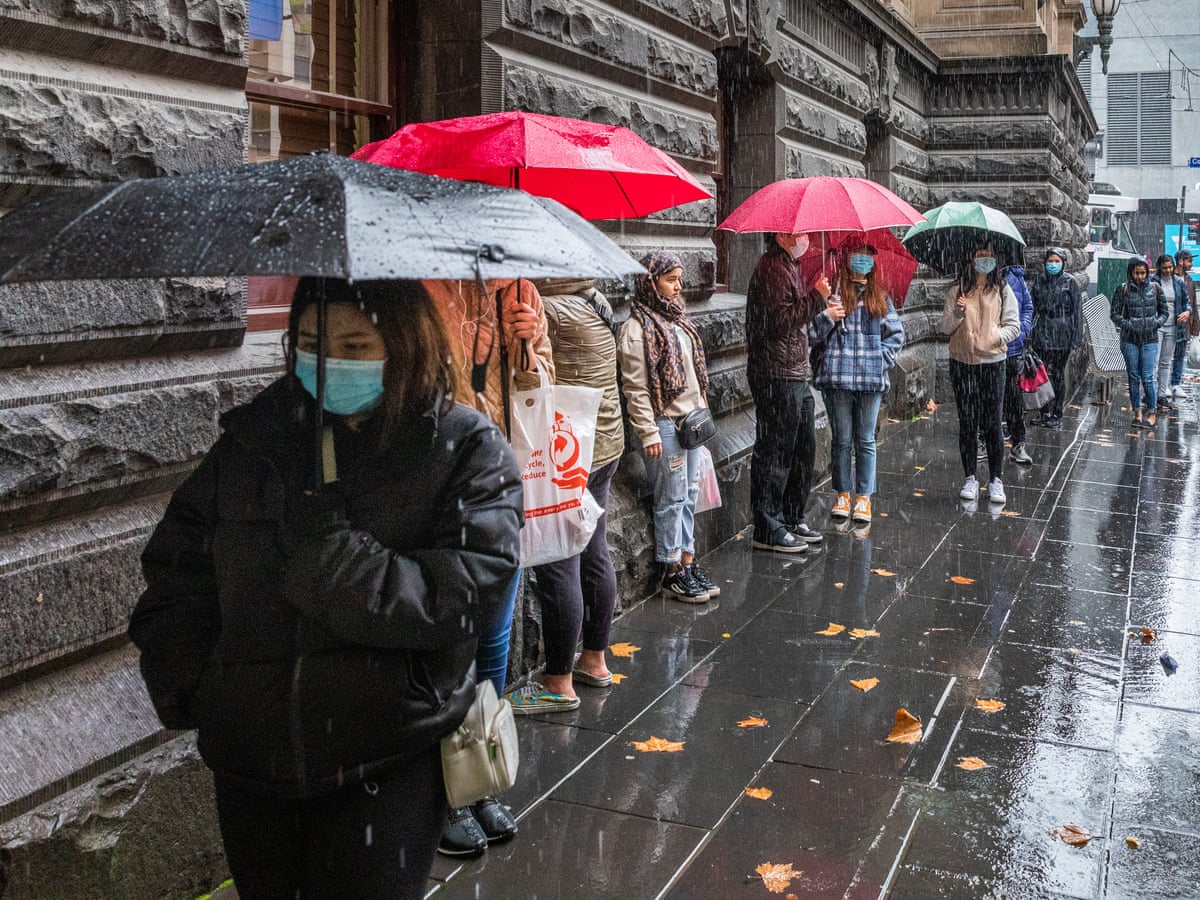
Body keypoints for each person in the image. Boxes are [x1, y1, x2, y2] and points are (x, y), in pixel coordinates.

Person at [128, 278, 523, 900]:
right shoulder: (254, 441)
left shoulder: (464, 449)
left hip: (385, 759)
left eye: (355, 344)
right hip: (252, 758)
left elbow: (464, 596)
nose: (330, 360)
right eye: (312, 341)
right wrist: (193, 684)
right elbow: (179, 567)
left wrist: (332, 557)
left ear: (403, 343)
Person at [423, 276, 554, 854]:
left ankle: (477, 774)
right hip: (438, 487)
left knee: (495, 645)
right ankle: (443, 790)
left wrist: (527, 350)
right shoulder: (424, 287)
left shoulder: (521, 291)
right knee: (448, 643)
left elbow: (542, 390)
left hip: (502, 490)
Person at [505, 278, 619, 713]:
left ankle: (558, 681)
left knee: (559, 563)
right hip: (604, 438)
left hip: (568, 451)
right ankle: (595, 658)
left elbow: (534, 378)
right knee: (594, 553)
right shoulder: (595, 298)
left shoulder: (544, 306)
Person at [618, 251, 719, 601]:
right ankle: (672, 570)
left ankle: (688, 562)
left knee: (690, 495)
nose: (678, 287)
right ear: (650, 281)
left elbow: (695, 376)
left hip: (692, 424)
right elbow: (635, 388)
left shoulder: (678, 319)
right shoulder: (636, 329)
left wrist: (702, 416)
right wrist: (647, 431)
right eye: (670, 279)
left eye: (679, 279)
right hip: (665, 427)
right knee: (671, 499)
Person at [746, 232, 832, 552]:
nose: (806, 238)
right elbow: (779, 322)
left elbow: (796, 321)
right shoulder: (771, 269)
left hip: (796, 372)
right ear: (783, 235)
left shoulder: (789, 266)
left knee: (802, 449)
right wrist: (816, 298)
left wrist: (813, 297)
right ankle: (767, 526)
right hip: (775, 375)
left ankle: (791, 516)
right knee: (776, 452)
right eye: (800, 233)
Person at [809, 240, 904, 523]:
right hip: (837, 380)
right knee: (840, 440)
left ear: (873, 262)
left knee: (865, 440)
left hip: (870, 382)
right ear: (847, 258)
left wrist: (879, 360)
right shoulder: (834, 295)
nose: (862, 260)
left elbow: (896, 336)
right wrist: (828, 315)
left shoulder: (880, 298)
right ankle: (843, 493)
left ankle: (864, 497)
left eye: (867, 255)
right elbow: (812, 337)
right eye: (857, 255)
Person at [940, 244, 1020, 504]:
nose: (984, 260)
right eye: (979, 255)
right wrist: (959, 313)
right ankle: (970, 477)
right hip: (963, 361)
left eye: (989, 256)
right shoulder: (957, 289)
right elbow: (945, 327)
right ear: (971, 258)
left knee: (992, 422)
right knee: (968, 421)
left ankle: (996, 479)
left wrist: (995, 336)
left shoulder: (1003, 289)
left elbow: (1014, 326)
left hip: (993, 362)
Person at [1110, 257, 1169, 427]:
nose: (1140, 276)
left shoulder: (1155, 288)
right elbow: (1115, 314)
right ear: (1131, 273)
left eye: (1143, 273)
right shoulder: (1123, 289)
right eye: (1136, 273)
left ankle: (1152, 411)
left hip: (1150, 339)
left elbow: (1164, 312)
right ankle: (1137, 412)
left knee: (1148, 377)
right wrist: (1128, 324)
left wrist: (1155, 323)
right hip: (1130, 340)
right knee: (1133, 377)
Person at [1030, 247, 1083, 429]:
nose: (1053, 264)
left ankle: (1057, 412)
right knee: (1041, 374)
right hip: (1043, 331)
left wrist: (1077, 337)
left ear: (1063, 263)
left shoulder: (1070, 282)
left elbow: (1077, 311)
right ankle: (1044, 411)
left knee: (1058, 374)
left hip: (1063, 332)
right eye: (1050, 261)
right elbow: (1033, 306)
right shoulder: (1040, 281)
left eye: (1057, 261)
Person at [1002, 261, 1034, 463]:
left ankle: (1018, 442)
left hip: (1013, 349)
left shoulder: (1016, 277)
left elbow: (1028, 306)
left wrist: (1023, 329)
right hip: (990, 350)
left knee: (1014, 398)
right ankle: (984, 439)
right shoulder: (978, 278)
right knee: (988, 399)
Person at [1151, 254, 1190, 408]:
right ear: (1159, 267)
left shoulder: (1179, 283)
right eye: (1165, 267)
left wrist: (1187, 312)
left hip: (1173, 327)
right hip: (1157, 326)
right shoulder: (1153, 282)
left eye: (1170, 267)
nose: (1168, 270)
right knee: (1153, 362)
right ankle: (1151, 394)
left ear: (1173, 267)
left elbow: (1186, 302)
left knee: (1166, 362)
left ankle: (1162, 395)